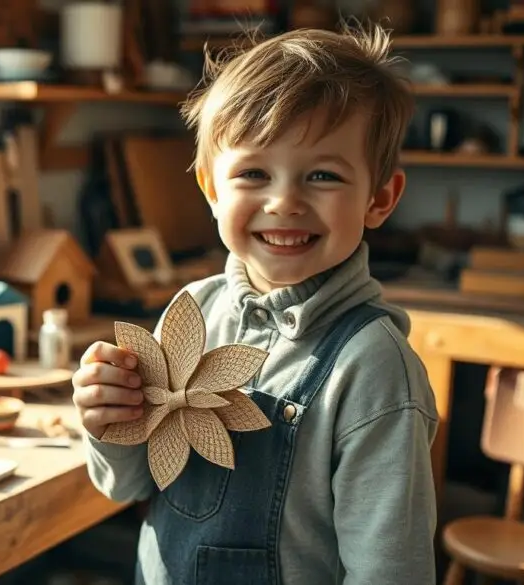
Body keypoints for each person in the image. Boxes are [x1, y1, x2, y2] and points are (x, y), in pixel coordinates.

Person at [72, 24, 440, 585]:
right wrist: (108, 423)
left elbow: (391, 570)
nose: (284, 201)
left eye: (323, 175)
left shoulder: (374, 368)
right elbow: (127, 485)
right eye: (253, 173)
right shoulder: (191, 312)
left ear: (379, 198)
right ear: (211, 188)